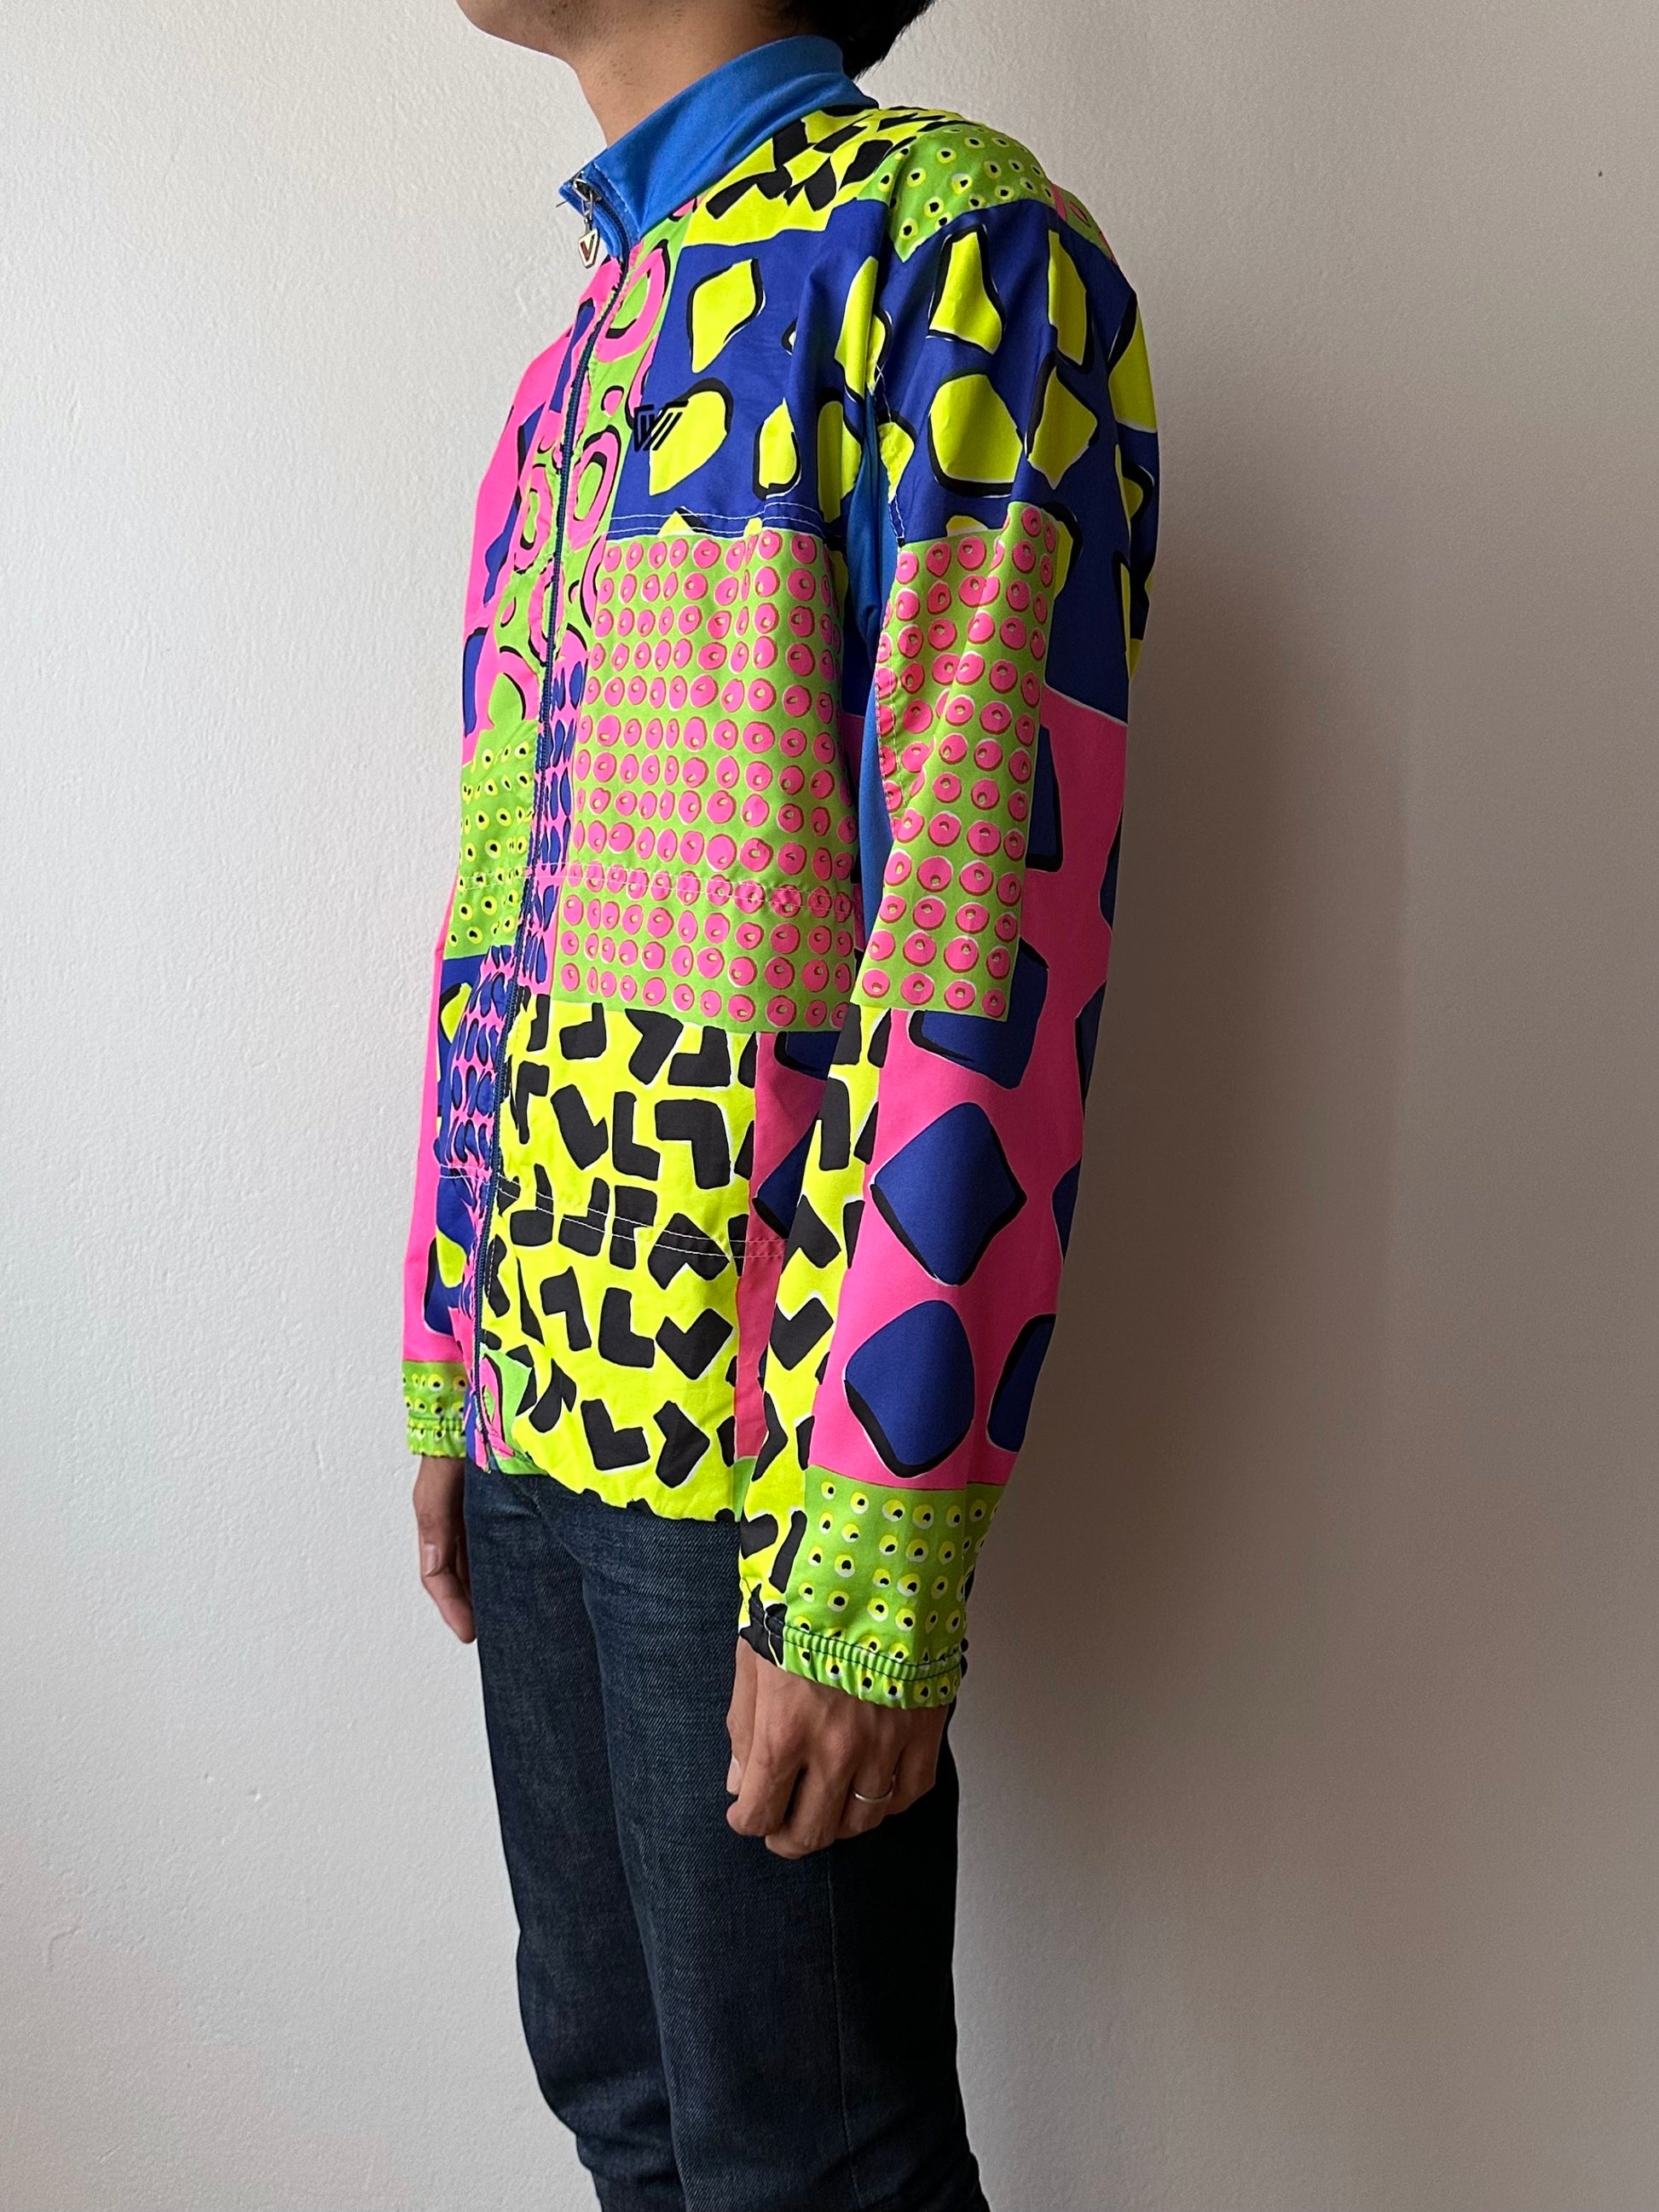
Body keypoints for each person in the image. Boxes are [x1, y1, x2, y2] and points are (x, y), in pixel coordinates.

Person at [403, 2, 1159, 2203]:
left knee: (802, 2163)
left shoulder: (949, 248)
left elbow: (985, 925)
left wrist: (876, 1544)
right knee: (623, 2103)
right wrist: (449, 1343)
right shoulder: (579, 356)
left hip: (765, 1441)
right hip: (543, 1390)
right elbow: (495, 888)